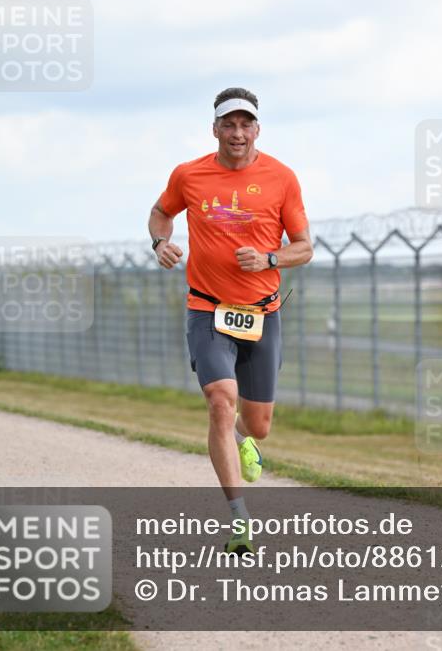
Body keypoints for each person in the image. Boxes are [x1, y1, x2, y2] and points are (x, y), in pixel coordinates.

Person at [148, 87, 313, 553]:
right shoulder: (190, 174)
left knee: (257, 424)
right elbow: (161, 213)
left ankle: (245, 439)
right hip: (207, 307)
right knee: (221, 401)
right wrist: (160, 244)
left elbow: (304, 247)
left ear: (257, 129)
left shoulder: (282, 178)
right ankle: (239, 518)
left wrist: (268, 257)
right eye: (228, 123)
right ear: (214, 128)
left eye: (245, 124)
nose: (236, 132)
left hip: (262, 313)